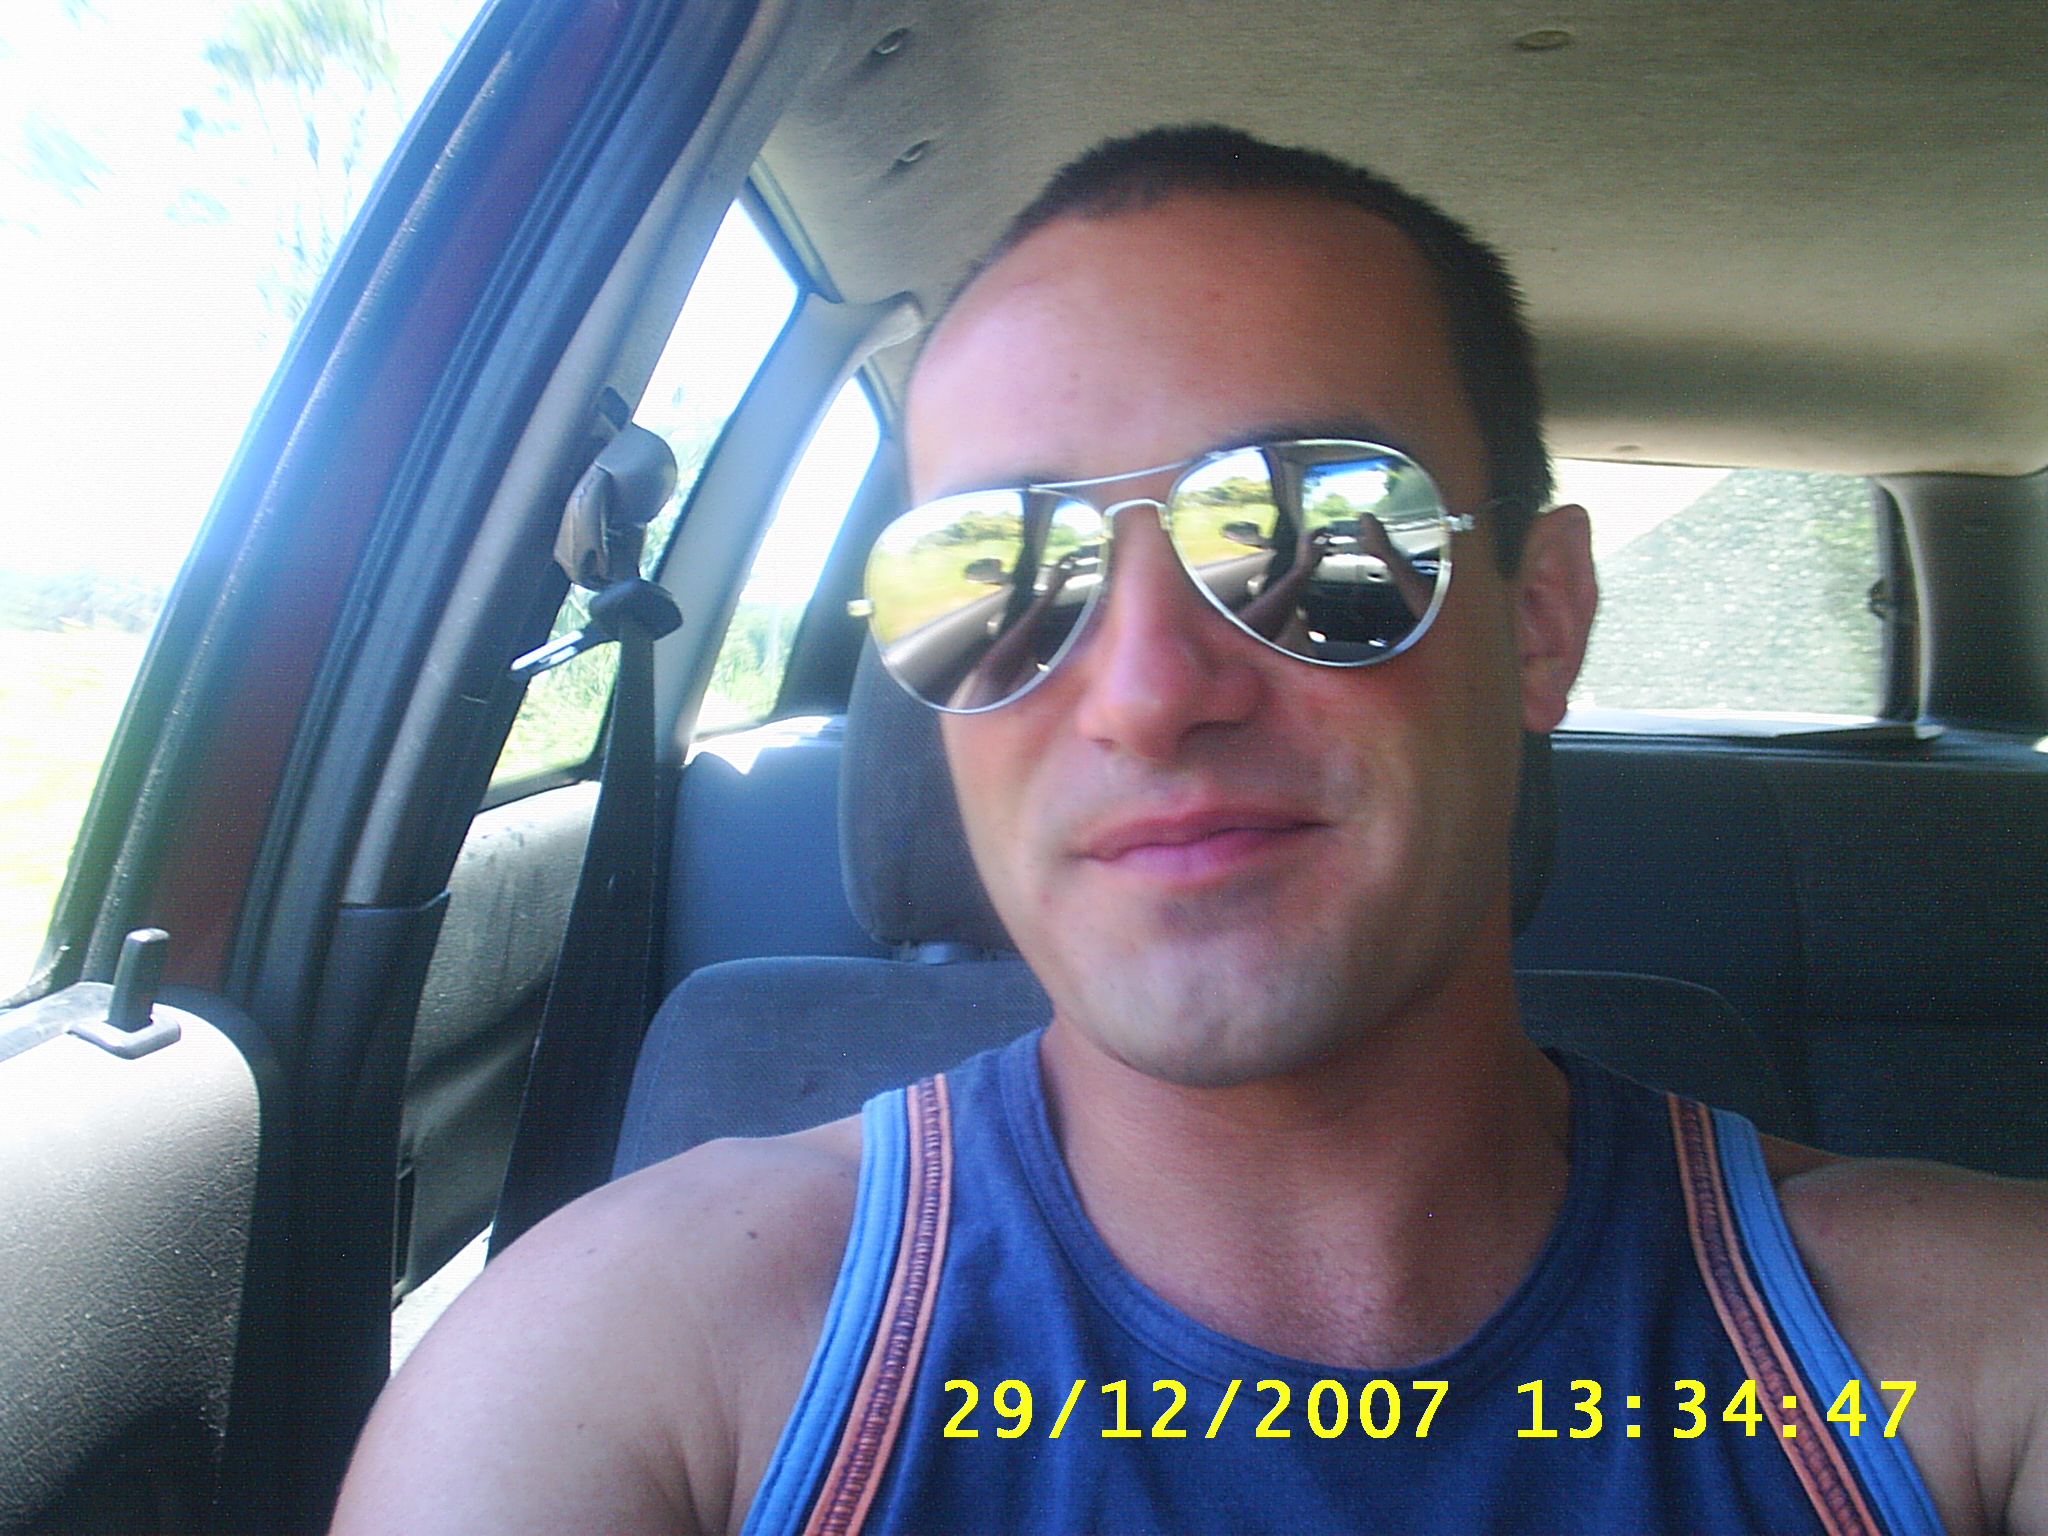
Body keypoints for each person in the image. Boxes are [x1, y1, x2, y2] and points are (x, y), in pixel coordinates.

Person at [332, 126, 2048, 1536]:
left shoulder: (1968, 1357)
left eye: (1315, 533)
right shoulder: (622, 1367)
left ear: (1538, 620)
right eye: (996, 572)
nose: (1146, 692)